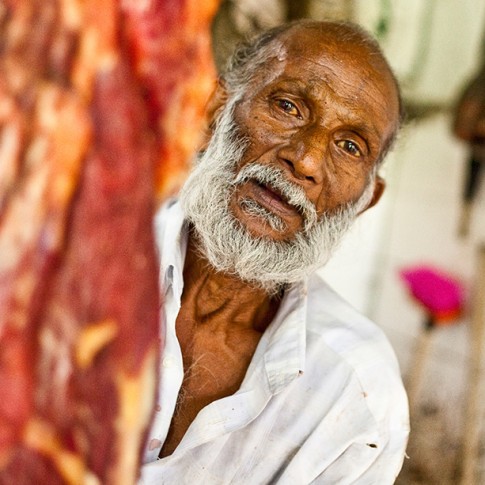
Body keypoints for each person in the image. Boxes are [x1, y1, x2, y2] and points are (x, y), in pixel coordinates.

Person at [139, 19, 409, 484]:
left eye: (349, 145)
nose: (304, 160)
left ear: (368, 200)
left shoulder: (355, 391)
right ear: (216, 111)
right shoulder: (66, 266)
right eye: (288, 106)